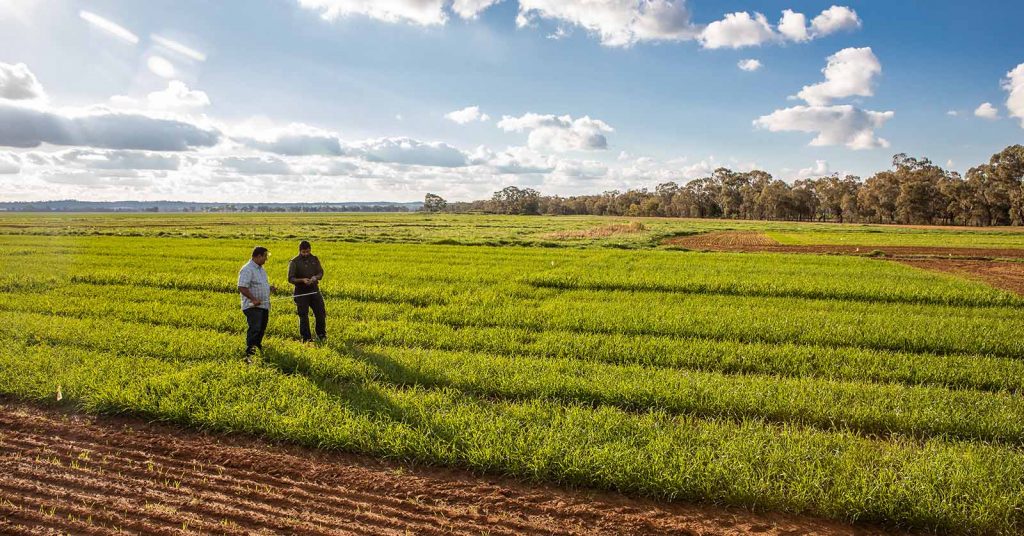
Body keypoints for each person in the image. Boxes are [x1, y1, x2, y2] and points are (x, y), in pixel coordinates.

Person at [238, 246, 275, 360]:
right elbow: (242, 287)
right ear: (258, 256)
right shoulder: (247, 269)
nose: (266, 260)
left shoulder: (261, 269)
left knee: (262, 328)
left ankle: (257, 346)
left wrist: (269, 288)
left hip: (263, 305)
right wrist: (253, 299)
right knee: (255, 328)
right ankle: (249, 353)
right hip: (253, 306)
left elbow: (259, 285)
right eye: (265, 257)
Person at [288, 240, 326, 343]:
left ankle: (321, 335)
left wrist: (315, 277)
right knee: (303, 315)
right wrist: (302, 280)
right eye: (304, 252)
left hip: (314, 290)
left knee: (321, 313)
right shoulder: (294, 262)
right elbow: (290, 278)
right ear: (300, 251)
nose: (306, 254)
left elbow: (321, 272)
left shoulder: (314, 259)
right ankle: (306, 338)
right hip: (301, 292)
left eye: (308, 251)